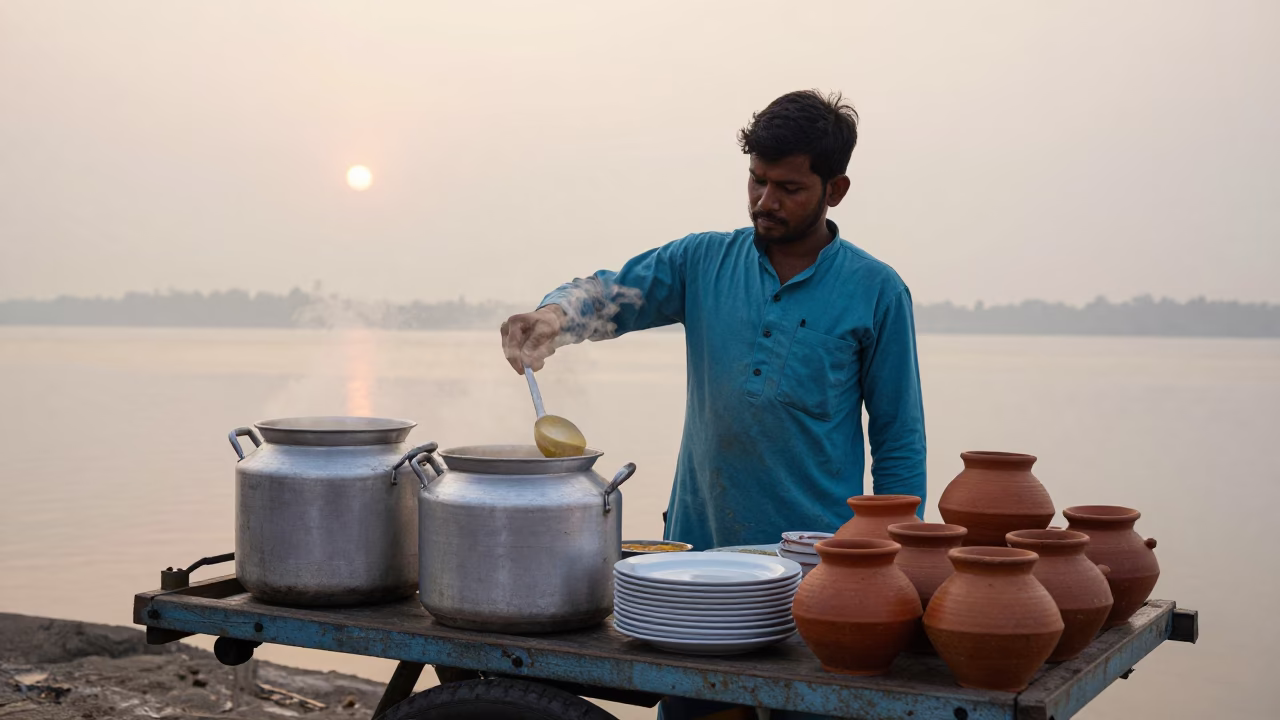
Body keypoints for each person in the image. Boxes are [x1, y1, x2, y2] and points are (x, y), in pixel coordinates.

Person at [500, 90, 927, 719]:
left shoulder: (876, 291)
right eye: (755, 181)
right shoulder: (704, 262)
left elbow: (898, 441)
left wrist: (895, 569)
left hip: (816, 577)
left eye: (788, 188)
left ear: (835, 190)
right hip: (697, 571)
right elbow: (612, 292)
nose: (764, 202)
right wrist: (552, 317)